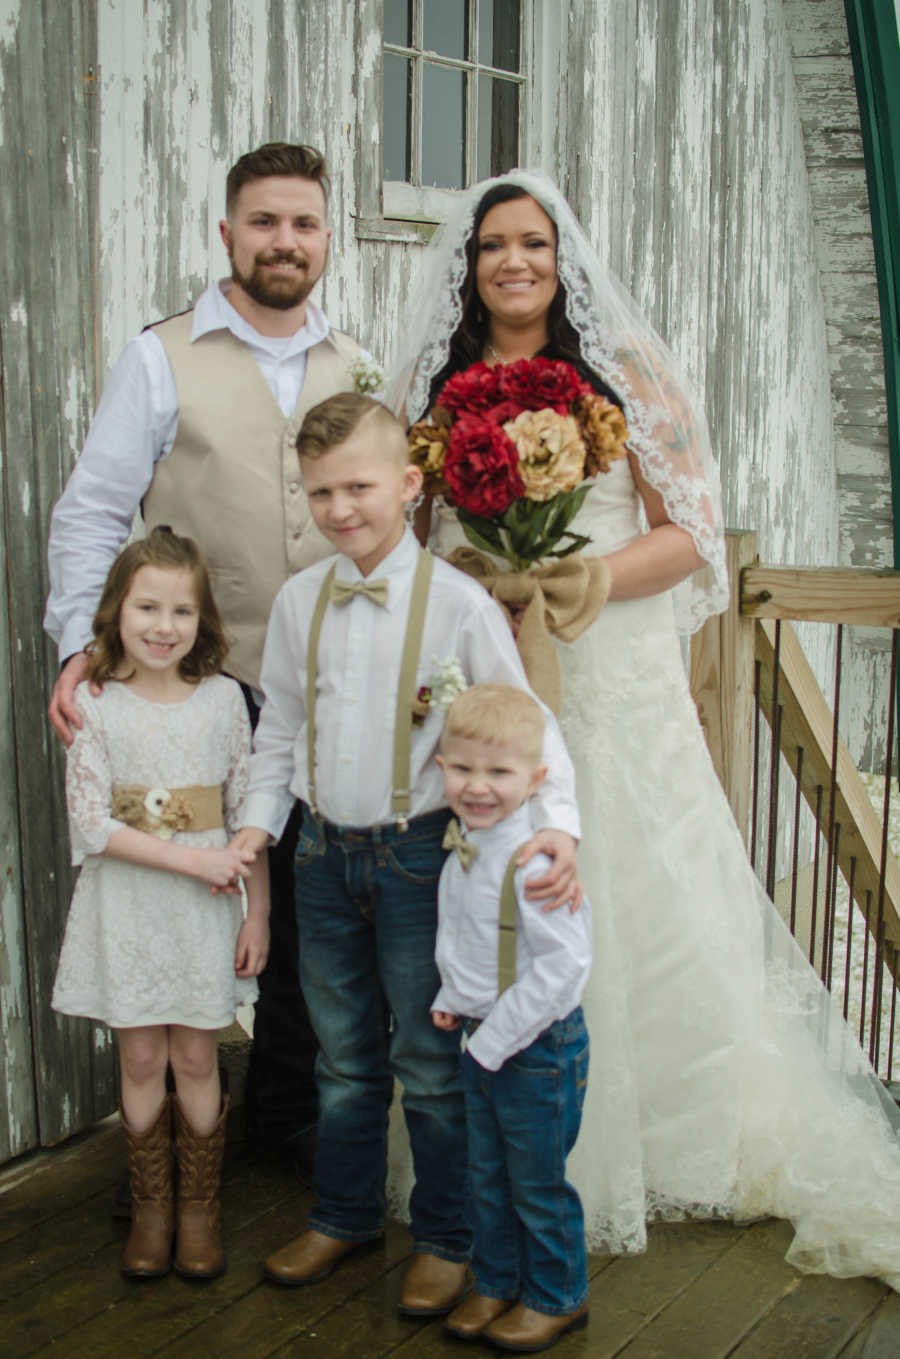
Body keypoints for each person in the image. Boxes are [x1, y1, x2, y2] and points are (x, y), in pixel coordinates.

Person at [388, 169, 900, 1291]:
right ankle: (512, 1145)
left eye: (532, 243)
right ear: (468, 266)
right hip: (494, 670)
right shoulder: (447, 393)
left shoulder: (626, 379)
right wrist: (486, 573)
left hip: (608, 660)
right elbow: (413, 539)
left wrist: (577, 572)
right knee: (505, 879)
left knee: (638, 882)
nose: (511, 262)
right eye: (490, 247)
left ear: (563, 258)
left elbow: (692, 539)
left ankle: (667, 1137)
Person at [44, 141, 369, 1162]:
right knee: (174, 891)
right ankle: (159, 1154)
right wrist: (76, 651)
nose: (285, 241)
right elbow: (93, 513)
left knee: (309, 917)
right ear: (227, 233)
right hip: (191, 696)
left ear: (328, 239)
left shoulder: (355, 367)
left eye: (304, 223)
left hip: (328, 688)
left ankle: (284, 1124)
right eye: (264, 222)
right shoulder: (162, 352)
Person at [232, 392, 583, 1315]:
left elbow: (528, 727)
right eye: (320, 493)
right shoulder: (298, 600)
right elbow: (280, 732)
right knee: (342, 1056)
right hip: (318, 857)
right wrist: (257, 830)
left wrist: (560, 826)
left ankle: (446, 1237)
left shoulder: (458, 605)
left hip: (421, 857)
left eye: (358, 486)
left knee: (429, 1064)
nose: (340, 508)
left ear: (408, 483)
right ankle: (343, 1214)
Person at [51, 526, 270, 1280]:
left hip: (205, 910)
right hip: (131, 901)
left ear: (202, 620)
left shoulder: (221, 701)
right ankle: (150, 1205)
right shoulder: (96, 702)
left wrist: (258, 910)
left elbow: (248, 816)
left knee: (196, 1050)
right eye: (147, 606)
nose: (162, 626)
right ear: (117, 611)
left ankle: (199, 1208)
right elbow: (92, 821)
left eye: (181, 611)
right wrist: (192, 857)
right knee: (142, 1051)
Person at [432, 685, 592, 1351]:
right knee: (486, 1176)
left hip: (538, 1048)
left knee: (535, 1182)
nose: (478, 786)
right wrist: (452, 995)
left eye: (499, 772)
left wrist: (492, 1040)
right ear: (439, 765)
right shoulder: (466, 842)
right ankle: (497, 1280)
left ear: (536, 777)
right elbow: (464, 934)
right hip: (482, 1038)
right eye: (462, 768)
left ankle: (557, 1295)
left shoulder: (537, 861)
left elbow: (563, 968)